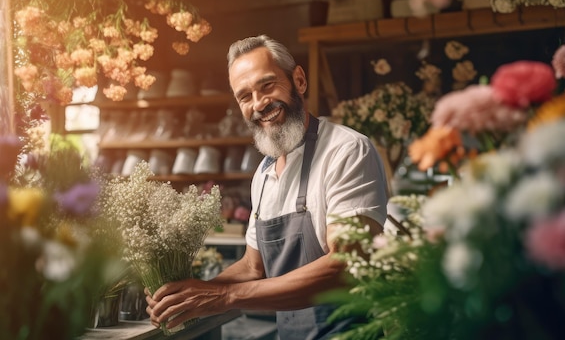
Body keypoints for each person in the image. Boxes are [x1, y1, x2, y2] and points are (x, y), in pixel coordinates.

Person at [145, 35, 388, 340]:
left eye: (267, 86)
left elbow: (345, 266)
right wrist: (188, 294)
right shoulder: (264, 173)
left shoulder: (346, 151)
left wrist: (223, 298)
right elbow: (252, 267)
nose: (259, 103)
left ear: (298, 80)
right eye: (245, 96)